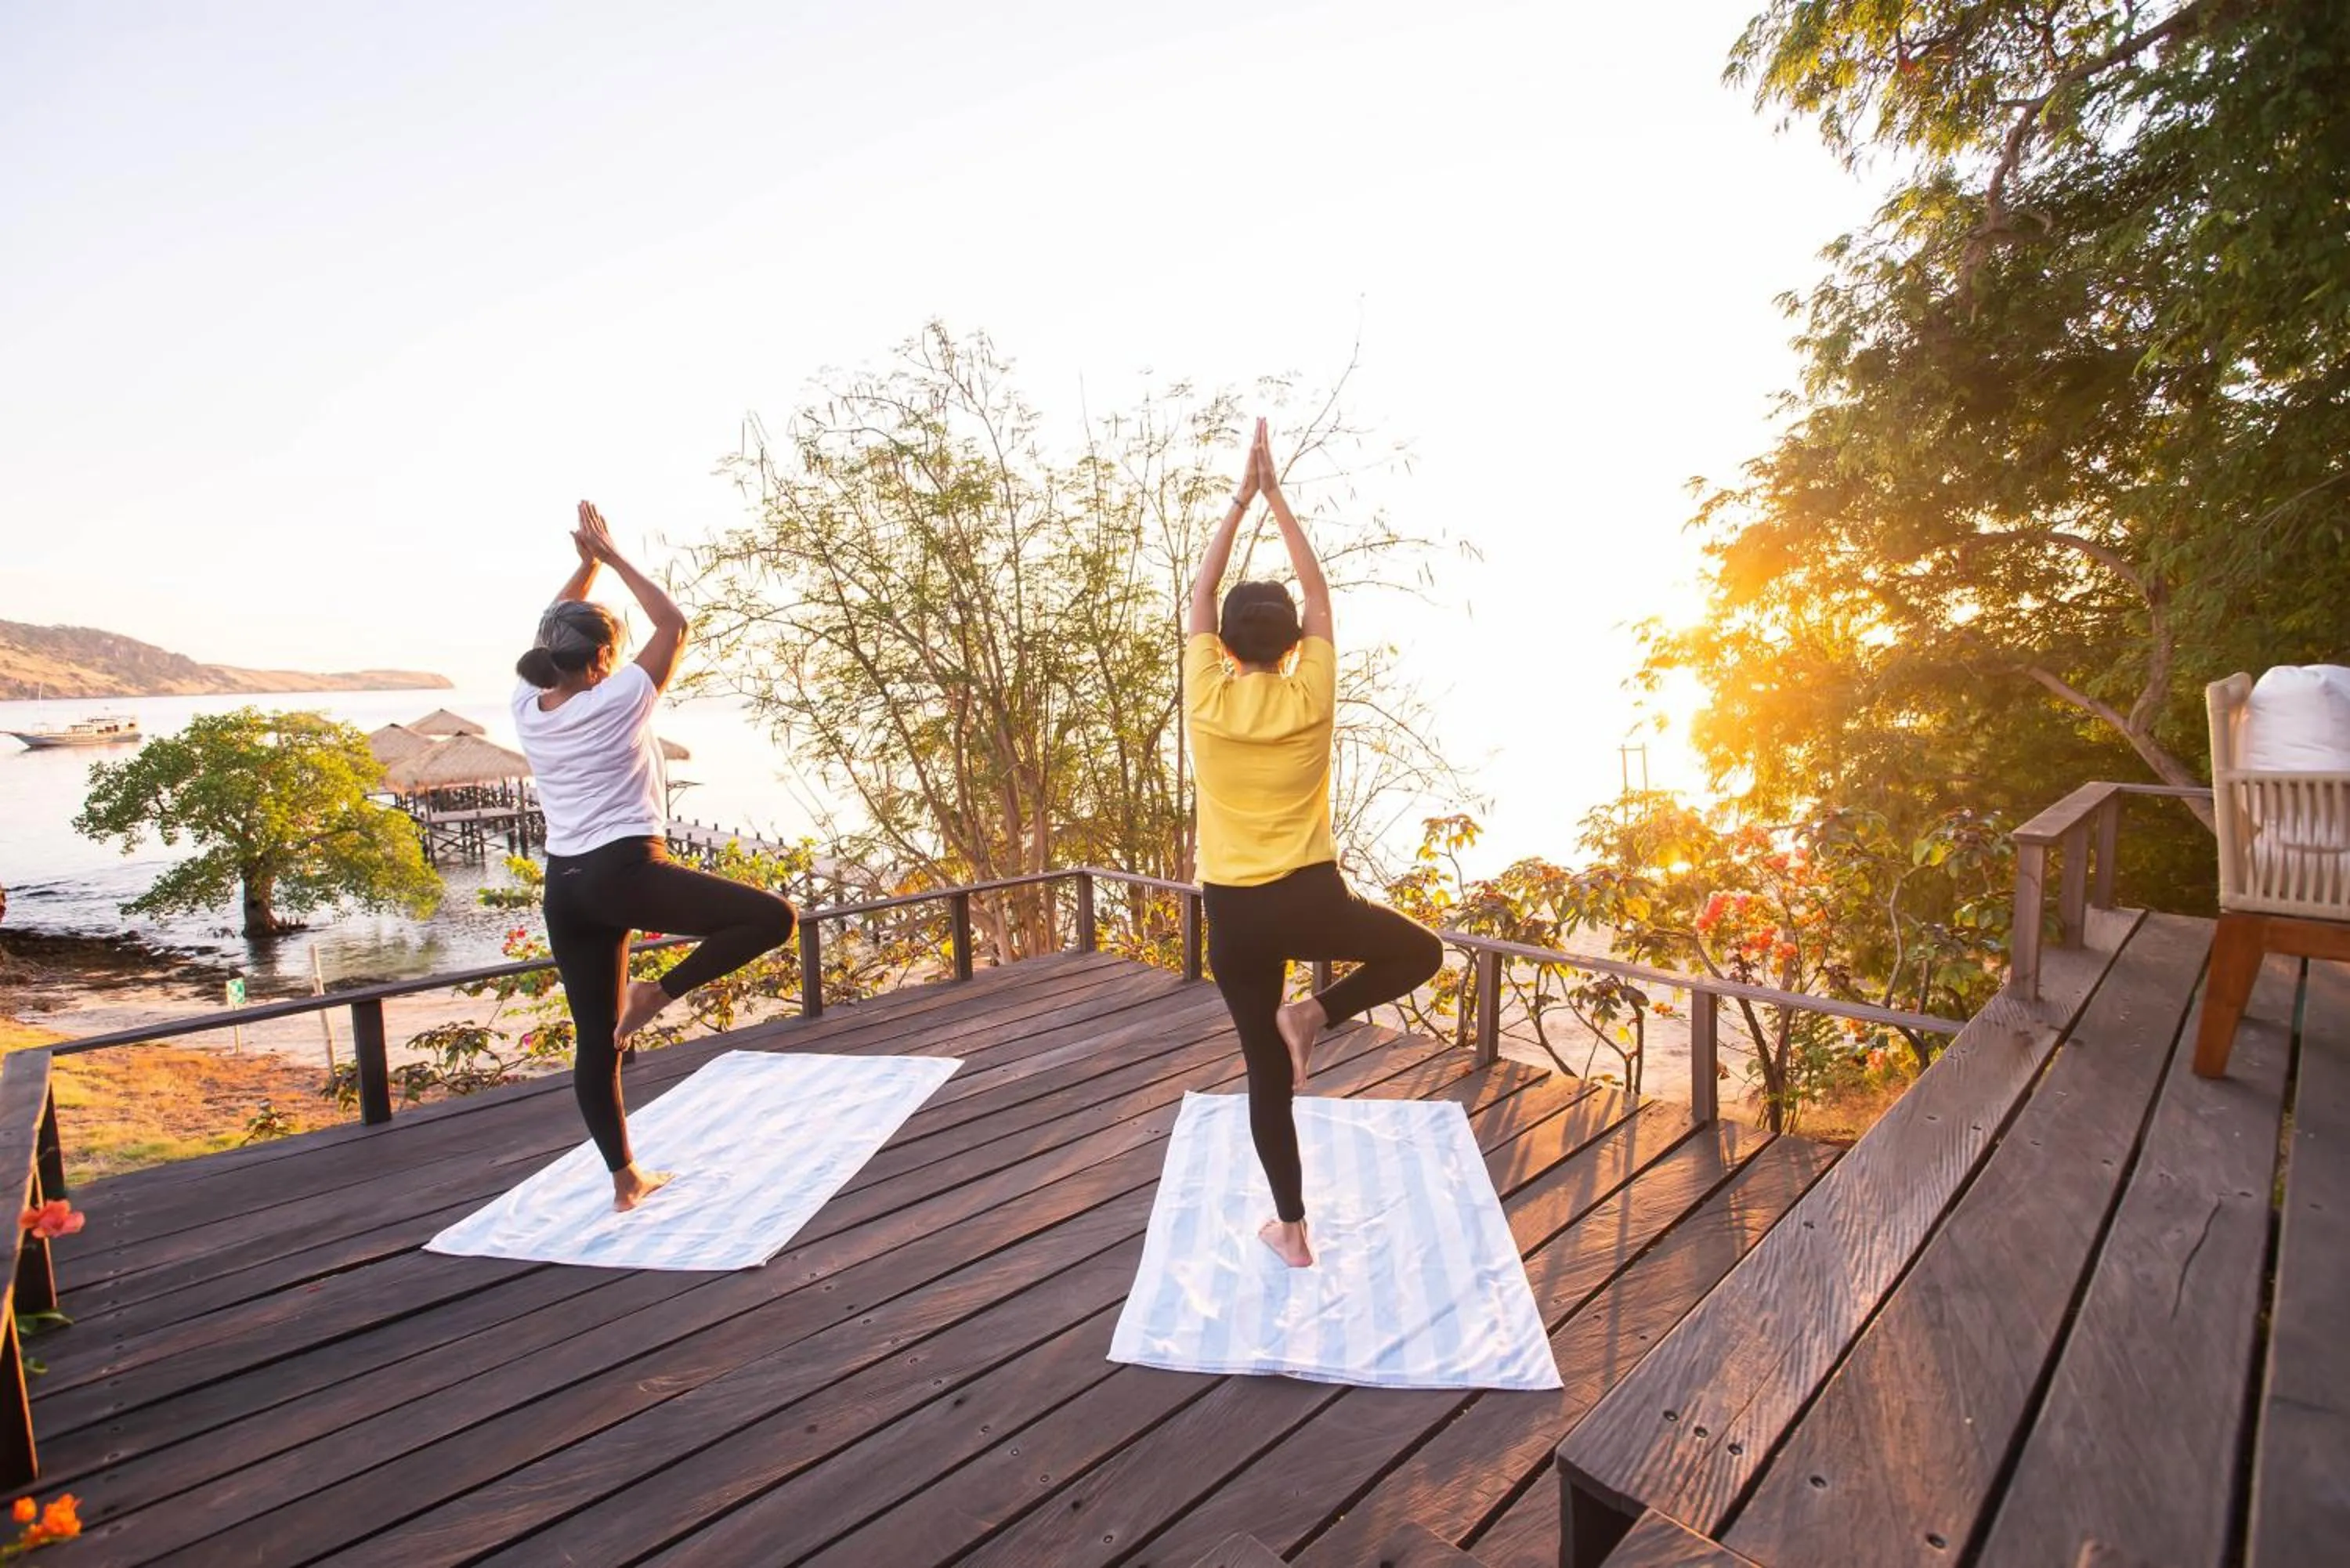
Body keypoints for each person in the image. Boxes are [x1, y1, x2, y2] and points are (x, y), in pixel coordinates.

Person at [1184, 421, 1445, 1267]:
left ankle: (1291, 1231)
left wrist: (1240, 496)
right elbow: (1320, 593)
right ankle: (1319, 1012)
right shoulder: (1314, 691)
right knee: (1421, 951)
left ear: (1222, 647)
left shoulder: (1205, 699)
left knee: (1264, 1070)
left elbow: (1199, 589)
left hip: (1235, 916)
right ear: (1295, 644)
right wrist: (1280, 497)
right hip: (1312, 898)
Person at [513, 500, 797, 1211]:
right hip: (622, 871)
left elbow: (552, 627)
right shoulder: (617, 701)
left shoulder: (526, 704)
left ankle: (624, 1180)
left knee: (595, 1041)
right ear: (604, 660)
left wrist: (582, 569)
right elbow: (675, 624)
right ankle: (656, 995)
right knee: (774, 919)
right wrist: (610, 559)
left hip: (565, 885)